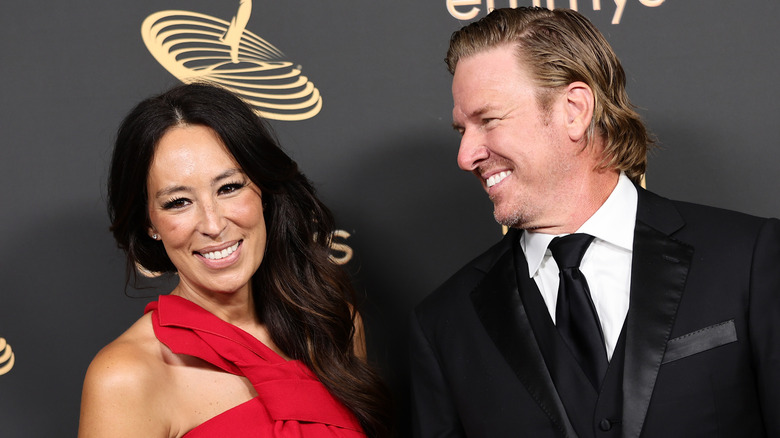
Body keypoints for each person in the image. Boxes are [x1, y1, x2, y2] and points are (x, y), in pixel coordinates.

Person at [410, 7, 779, 438]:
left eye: (488, 120)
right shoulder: (445, 323)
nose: (465, 155)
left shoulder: (748, 259)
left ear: (574, 110)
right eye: (461, 130)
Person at [79, 83, 392, 438]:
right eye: (178, 201)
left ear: (263, 191)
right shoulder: (126, 376)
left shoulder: (333, 327)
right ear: (149, 222)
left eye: (229, 187)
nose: (212, 225)